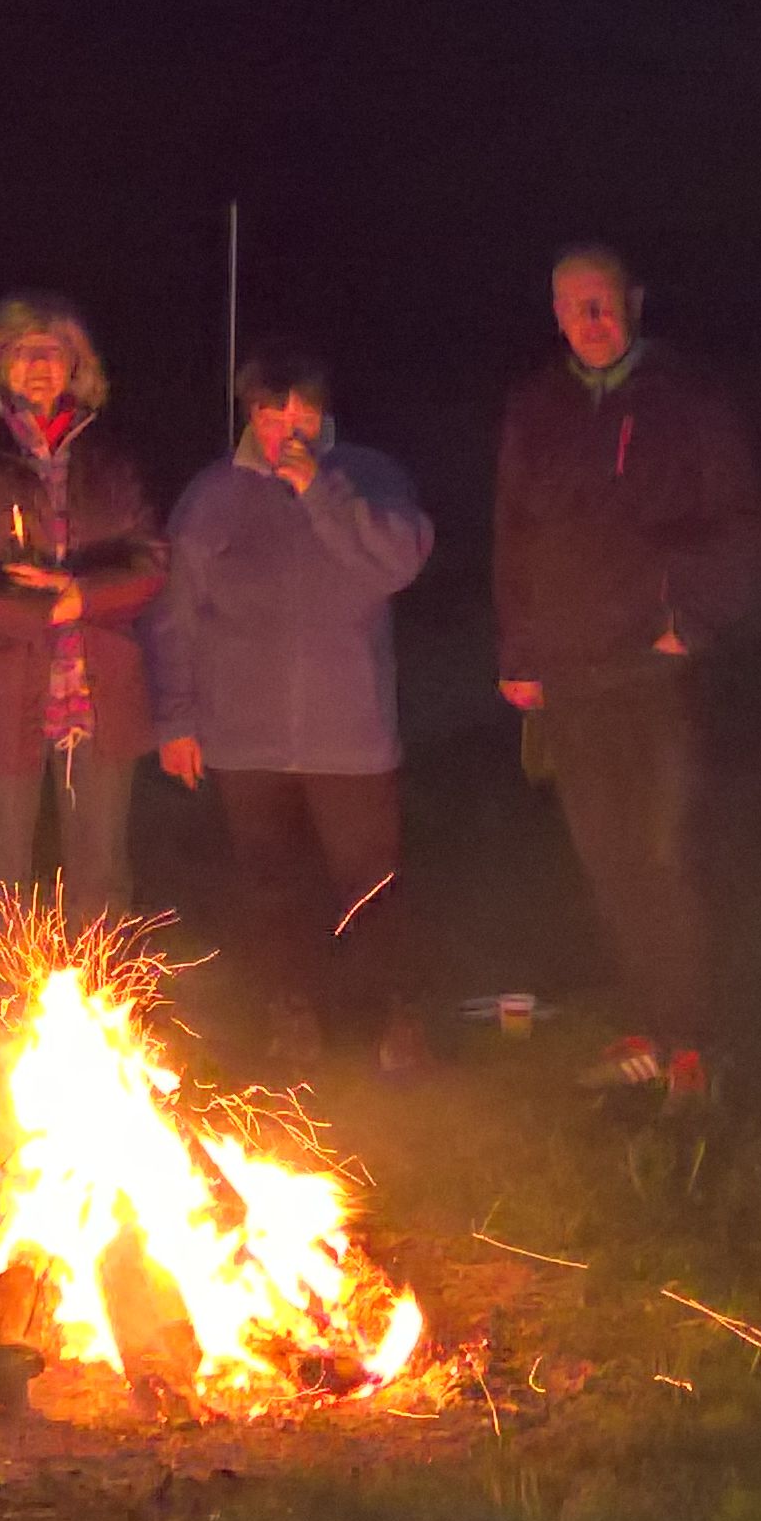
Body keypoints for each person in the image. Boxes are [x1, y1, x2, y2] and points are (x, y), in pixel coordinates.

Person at [494, 244, 758, 1111]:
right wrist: (518, 651)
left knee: (667, 850)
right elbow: (513, 531)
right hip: (572, 668)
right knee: (607, 853)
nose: (590, 321)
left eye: (602, 303)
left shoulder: (687, 399)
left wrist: (697, 618)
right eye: (573, 306)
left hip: (655, 663)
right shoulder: (537, 406)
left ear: (634, 301)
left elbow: (734, 519)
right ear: (556, 312)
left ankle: (697, 1040)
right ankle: (648, 1024)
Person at [151, 348, 435, 1071]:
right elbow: (175, 616)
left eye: (301, 410)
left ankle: (396, 1016)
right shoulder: (211, 497)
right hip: (244, 737)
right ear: (251, 414)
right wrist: (177, 717)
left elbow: (398, 561)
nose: (288, 426)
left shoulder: (367, 476)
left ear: (323, 411)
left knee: (370, 882)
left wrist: (320, 494)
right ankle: (293, 1014)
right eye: (271, 411)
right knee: (270, 886)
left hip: (351, 733)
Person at [0, 293, 166, 939]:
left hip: (97, 696)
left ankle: (109, 1018)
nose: (38, 366)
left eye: (52, 353)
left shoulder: (110, 456)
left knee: (103, 880)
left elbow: (151, 559)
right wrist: (41, 609)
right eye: (23, 351)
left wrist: (83, 595)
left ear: (76, 366)